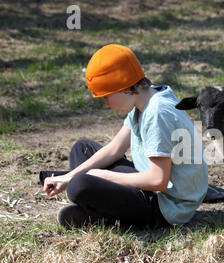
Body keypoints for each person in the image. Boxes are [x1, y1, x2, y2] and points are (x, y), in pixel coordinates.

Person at [42, 44, 208, 229]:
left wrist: (104, 176)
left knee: (79, 185)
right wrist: (66, 177)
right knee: (83, 149)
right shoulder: (144, 99)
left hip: (166, 206)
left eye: (106, 97)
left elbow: (158, 180)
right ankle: (103, 212)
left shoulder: (157, 113)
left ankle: (105, 217)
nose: (106, 104)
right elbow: (115, 149)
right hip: (150, 188)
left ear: (123, 87)